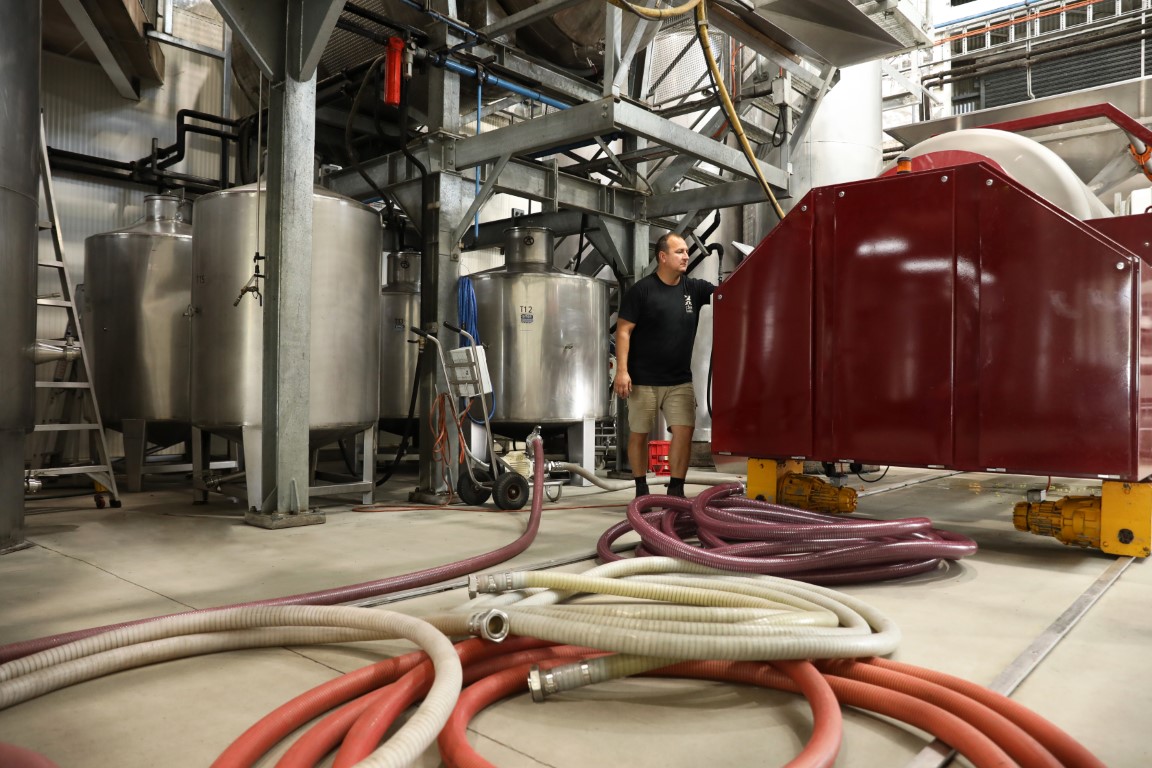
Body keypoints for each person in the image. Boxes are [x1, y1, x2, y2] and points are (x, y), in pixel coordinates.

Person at [613, 233, 715, 498]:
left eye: (685, 251)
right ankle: (640, 488)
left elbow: (727, 292)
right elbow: (623, 331)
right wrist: (622, 371)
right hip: (643, 379)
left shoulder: (693, 289)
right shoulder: (642, 291)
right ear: (663, 256)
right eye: (680, 251)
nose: (686, 256)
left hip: (679, 380)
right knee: (639, 434)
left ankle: (676, 489)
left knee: (684, 431)